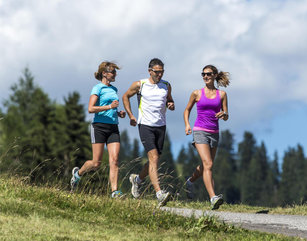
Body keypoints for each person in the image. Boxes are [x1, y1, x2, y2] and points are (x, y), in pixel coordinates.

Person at [122, 58, 175, 207]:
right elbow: (125, 96)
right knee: (153, 157)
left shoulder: (166, 85)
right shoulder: (140, 84)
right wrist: (131, 115)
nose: (159, 75)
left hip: (161, 126)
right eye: (157, 72)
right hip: (145, 125)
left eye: (162, 72)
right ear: (150, 71)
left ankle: (137, 180)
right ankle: (159, 193)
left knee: (155, 159)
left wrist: (171, 104)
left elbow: (169, 100)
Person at [70, 61, 126, 198]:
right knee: (96, 163)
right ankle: (77, 175)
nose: (115, 74)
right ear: (104, 74)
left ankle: (114, 192)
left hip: (113, 126)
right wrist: (109, 107)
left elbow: (112, 107)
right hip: (99, 127)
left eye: (115, 72)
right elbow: (91, 109)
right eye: (112, 72)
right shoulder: (97, 88)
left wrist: (118, 113)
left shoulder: (114, 89)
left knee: (114, 159)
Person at [183, 65, 230, 210]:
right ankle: (213, 197)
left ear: (215, 75)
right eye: (203, 74)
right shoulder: (196, 93)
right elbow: (187, 109)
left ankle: (190, 182)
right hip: (200, 131)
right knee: (208, 164)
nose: (205, 76)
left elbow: (226, 116)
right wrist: (187, 125)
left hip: (214, 132)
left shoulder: (221, 94)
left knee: (206, 165)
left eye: (208, 74)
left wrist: (223, 114)